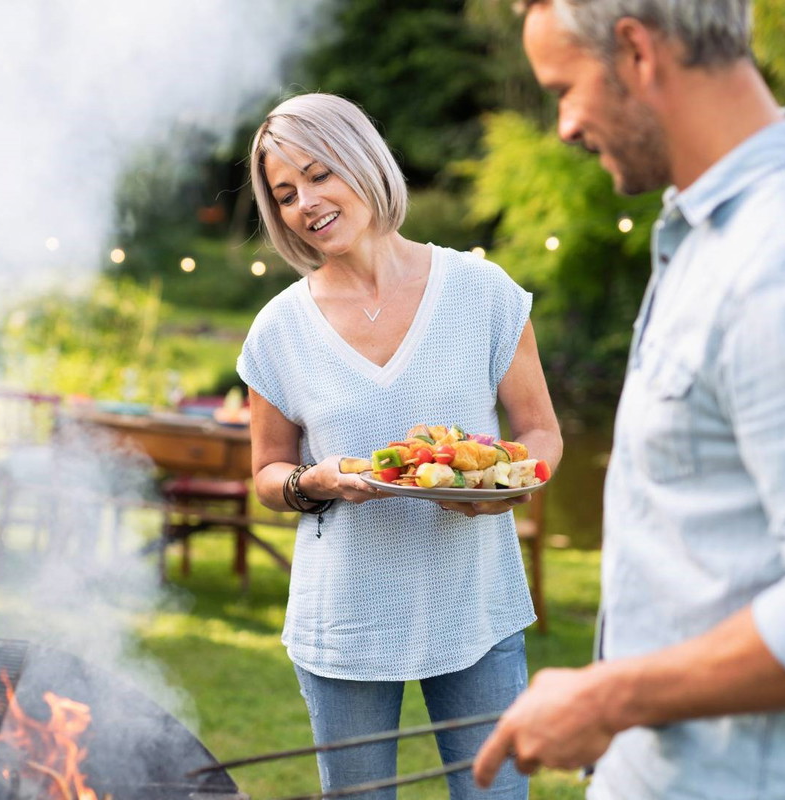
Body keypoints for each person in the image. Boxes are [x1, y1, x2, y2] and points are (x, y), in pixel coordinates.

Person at [473, 1, 785, 797]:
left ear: (635, 52)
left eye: (564, 88)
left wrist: (608, 694)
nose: (561, 125)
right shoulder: (716, 232)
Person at [236, 92, 563, 799]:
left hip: (473, 606)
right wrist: (312, 482)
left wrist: (510, 486)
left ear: (363, 161)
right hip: (345, 622)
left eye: (320, 174)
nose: (306, 203)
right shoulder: (279, 329)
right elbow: (266, 472)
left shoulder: (483, 293)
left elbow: (539, 430)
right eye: (285, 193)